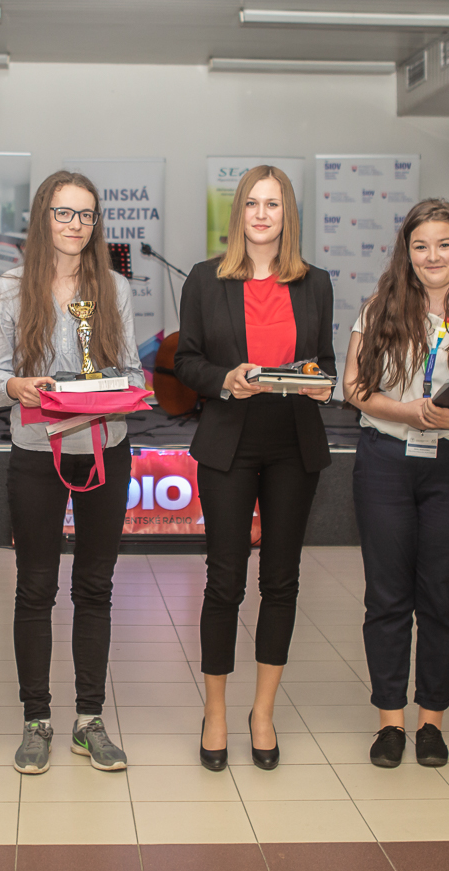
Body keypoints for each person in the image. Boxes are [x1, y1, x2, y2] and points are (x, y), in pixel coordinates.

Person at [343, 199, 449, 768]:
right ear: (407, 253)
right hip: (386, 462)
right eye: (421, 246)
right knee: (386, 595)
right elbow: (354, 388)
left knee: (443, 597)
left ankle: (431, 721)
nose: (433, 256)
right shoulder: (378, 310)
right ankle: (390, 722)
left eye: (444, 244)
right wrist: (407, 412)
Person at [175, 164, 334, 772]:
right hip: (229, 444)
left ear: (287, 213)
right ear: (237, 213)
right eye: (252, 204)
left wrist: (321, 383)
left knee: (282, 582)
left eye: (273, 204)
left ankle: (262, 712)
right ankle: (215, 711)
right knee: (224, 581)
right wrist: (226, 378)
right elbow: (186, 362)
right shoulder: (205, 279)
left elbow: (322, 361)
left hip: (295, 443)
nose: (262, 215)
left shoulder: (316, 283)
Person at [0, 170, 140, 775]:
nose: (76, 225)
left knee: (95, 586)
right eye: (64, 213)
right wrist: (17, 387)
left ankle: (89, 721)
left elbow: (131, 371)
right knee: (35, 587)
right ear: (43, 217)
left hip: (105, 447)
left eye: (86, 214)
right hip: (36, 450)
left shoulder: (114, 288)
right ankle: (36, 720)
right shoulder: (10, 287)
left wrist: (117, 388)